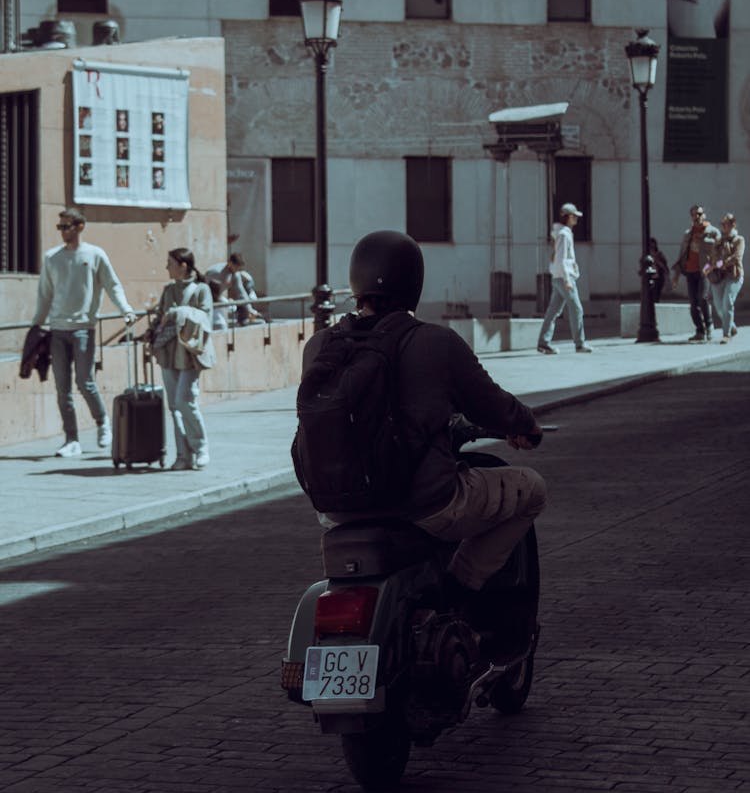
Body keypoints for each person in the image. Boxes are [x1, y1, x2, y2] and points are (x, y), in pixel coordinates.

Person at [299, 229, 546, 616]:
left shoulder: (319, 347)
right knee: (531, 490)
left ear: (355, 281)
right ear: (414, 282)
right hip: (427, 504)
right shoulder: (435, 342)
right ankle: (460, 585)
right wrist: (525, 425)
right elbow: (491, 405)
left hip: (337, 509)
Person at [31, 207, 135, 457]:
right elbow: (44, 294)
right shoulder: (52, 258)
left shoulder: (95, 255)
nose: (63, 232)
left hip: (83, 329)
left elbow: (112, 285)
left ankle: (102, 423)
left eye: (66, 226)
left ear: (80, 226)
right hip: (57, 329)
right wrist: (36, 325)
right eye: (60, 227)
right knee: (62, 388)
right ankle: (71, 439)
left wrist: (126, 310)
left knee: (85, 381)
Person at [148, 247, 214, 470]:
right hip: (167, 352)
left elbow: (206, 318)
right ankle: (183, 455)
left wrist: (179, 313)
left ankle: (201, 446)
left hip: (190, 353)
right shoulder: (168, 290)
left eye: (170, 263)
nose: (167, 267)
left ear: (182, 265)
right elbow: (160, 317)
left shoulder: (201, 289)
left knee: (185, 400)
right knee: (174, 406)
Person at [537, 203, 592, 354]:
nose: (576, 219)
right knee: (576, 309)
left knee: (553, 311)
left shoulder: (560, 233)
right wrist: (567, 279)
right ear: (567, 217)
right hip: (563, 277)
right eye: (574, 216)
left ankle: (543, 343)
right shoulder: (564, 234)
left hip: (558, 277)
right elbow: (561, 259)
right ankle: (579, 344)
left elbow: (556, 258)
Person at [671, 204, 720, 342]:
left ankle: (709, 326)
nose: (696, 217)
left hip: (704, 272)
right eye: (693, 214)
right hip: (690, 272)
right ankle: (700, 331)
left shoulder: (713, 232)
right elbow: (682, 256)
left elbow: (723, 255)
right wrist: (676, 276)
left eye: (699, 214)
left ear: (704, 215)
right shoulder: (688, 234)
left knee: (702, 299)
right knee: (693, 304)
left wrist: (715, 267)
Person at [710, 212, 745, 344]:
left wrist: (719, 264)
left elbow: (736, 257)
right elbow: (713, 258)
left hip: (734, 276)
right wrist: (708, 268)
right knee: (719, 307)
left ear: (733, 224)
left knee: (727, 302)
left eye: (726, 224)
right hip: (719, 277)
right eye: (722, 224)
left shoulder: (739, 239)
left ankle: (727, 334)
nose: (723, 226)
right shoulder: (718, 241)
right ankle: (732, 327)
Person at [205, 253, 261, 326]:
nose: (237, 270)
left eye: (239, 268)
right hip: (207, 299)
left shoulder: (235, 274)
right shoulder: (215, 272)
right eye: (236, 267)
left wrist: (250, 309)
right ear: (230, 263)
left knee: (221, 324)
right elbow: (204, 285)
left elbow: (241, 292)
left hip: (217, 300)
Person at [649, 237, 670, 303]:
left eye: (653, 245)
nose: (652, 247)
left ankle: (655, 308)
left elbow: (664, 267)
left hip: (658, 278)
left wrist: (657, 260)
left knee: (656, 296)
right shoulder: (646, 255)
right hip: (650, 278)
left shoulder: (659, 254)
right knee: (650, 295)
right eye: (650, 246)